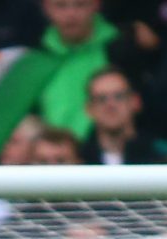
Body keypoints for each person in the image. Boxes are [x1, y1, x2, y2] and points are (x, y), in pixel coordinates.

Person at [38, 0, 119, 140]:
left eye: (81, 4)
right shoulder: (35, 57)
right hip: (52, 156)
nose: (71, 14)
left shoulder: (122, 48)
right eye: (60, 5)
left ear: (96, 5)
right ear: (46, 8)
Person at [79, 66, 167, 164]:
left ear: (136, 101)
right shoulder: (76, 159)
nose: (110, 104)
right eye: (101, 98)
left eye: (119, 96)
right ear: (89, 109)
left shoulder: (162, 153)